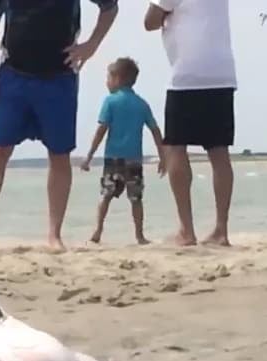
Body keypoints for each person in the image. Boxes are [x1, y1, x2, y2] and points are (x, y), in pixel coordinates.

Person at [0, 0, 119, 253]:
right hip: (14, 74)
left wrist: (91, 45)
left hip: (59, 78)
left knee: (59, 155)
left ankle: (54, 236)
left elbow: (110, 7)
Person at [145, 0, 236, 246]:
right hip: (221, 72)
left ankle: (187, 229)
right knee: (219, 152)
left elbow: (149, 21)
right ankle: (221, 230)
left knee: (176, 147)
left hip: (187, 73)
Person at [80, 57, 166, 245]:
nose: (106, 82)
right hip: (134, 160)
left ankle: (97, 231)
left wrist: (89, 157)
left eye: (108, 78)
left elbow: (101, 130)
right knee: (136, 198)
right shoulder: (141, 104)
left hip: (113, 159)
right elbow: (155, 130)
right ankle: (140, 235)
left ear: (117, 78)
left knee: (106, 195)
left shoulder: (110, 101)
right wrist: (163, 157)